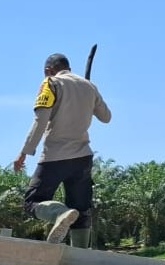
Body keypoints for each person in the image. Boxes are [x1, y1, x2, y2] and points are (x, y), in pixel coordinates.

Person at [13, 53, 111, 247]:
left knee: (32, 202)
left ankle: (60, 213)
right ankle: (81, 261)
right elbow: (106, 117)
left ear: (48, 70)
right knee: (81, 210)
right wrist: (89, 99)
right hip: (83, 157)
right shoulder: (89, 86)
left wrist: (24, 152)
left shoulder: (51, 83)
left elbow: (40, 121)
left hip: (55, 156)